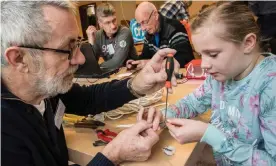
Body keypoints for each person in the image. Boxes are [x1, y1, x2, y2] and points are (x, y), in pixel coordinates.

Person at [1, 1, 178, 166]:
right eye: (67, 49)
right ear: (19, 58)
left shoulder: (44, 89)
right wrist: (112, 155)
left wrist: (136, 85)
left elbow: (88, 99)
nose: (81, 58)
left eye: (77, 44)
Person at [138, 2, 276, 165]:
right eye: (201, 54)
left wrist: (210, 135)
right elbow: (192, 103)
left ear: (248, 43)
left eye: (213, 54)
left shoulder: (270, 86)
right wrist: (163, 115)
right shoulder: (221, 75)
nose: (204, 64)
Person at [126, 2, 194, 70]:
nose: (143, 28)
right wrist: (135, 63)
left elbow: (183, 59)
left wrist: (150, 63)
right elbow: (145, 57)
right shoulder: (149, 33)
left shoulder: (175, 28)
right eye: (139, 24)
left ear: (155, 15)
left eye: (144, 22)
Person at [86, 3, 137, 71]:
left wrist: (95, 68)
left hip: (131, 71)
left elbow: (117, 62)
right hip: (113, 74)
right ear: (100, 24)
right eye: (107, 22)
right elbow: (91, 63)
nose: (113, 26)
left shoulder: (125, 32)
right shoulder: (98, 35)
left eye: (114, 20)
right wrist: (91, 41)